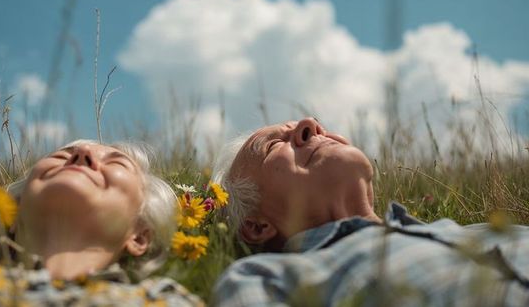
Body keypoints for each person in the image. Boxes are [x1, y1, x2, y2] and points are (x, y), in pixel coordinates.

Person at [211, 118, 529, 306]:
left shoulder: (483, 232)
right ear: (256, 226)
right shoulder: (265, 277)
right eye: (272, 146)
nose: (311, 124)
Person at [0, 140, 203, 307]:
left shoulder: (163, 299)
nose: (81, 152)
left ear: (139, 235)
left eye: (116, 162)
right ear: (13, 212)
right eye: (61, 154)